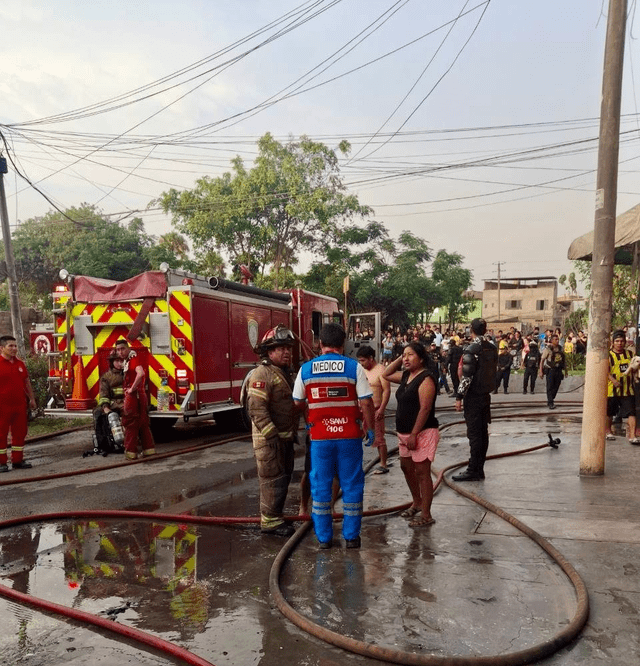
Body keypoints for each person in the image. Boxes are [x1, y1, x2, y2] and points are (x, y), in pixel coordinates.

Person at [293, 323, 375, 550]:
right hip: (349, 436)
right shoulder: (353, 367)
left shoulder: (306, 369)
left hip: (320, 438)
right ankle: (351, 537)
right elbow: (367, 401)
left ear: (320, 344)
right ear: (344, 344)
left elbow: (298, 401)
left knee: (320, 486)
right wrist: (370, 429)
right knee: (352, 484)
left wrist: (312, 418)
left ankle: (324, 539)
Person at [246, 326, 298, 537]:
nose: (286, 352)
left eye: (288, 348)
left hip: (283, 439)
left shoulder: (281, 372)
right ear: (268, 351)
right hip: (270, 441)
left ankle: (275, 515)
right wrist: (271, 435)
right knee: (272, 480)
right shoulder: (263, 373)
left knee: (282, 478)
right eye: (280, 348)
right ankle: (270, 522)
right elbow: (256, 408)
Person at [383, 342, 439, 527]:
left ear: (421, 358)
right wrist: (402, 356)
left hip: (422, 432)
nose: (406, 359)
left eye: (410, 355)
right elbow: (386, 374)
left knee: (422, 473)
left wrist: (415, 434)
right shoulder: (407, 375)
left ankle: (426, 515)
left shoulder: (426, 379)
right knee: (406, 468)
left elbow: (424, 409)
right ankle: (417, 502)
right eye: (404, 355)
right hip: (404, 433)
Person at [453, 318, 498, 482]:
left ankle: (473, 469)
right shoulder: (492, 348)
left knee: (474, 434)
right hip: (485, 395)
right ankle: (479, 468)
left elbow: (467, 377)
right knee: (483, 433)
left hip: (473, 397)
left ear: (471, 329)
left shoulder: (472, 349)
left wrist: (459, 397)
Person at [0, 335, 37, 472]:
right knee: (1, 434)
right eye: (11, 346)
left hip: (19, 405)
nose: (14, 348)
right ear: (2, 348)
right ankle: (1, 463)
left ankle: (17, 460)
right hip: (2, 406)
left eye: (15, 346)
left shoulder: (19, 364)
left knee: (20, 433)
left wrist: (32, 399)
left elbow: (26, 383)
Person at [115, 339, 156, 460]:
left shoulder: (132, 359)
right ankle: (149, 450)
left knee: (130, 423)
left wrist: (132, 389)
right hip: (140, 395)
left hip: (134, 396)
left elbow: (141, 373)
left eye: (122, 349)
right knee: (143, 422)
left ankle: (131, 452)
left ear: (128, 348)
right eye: (118, 350)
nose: (120, 352)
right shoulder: (130, 360)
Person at [356, 345, 391, 474]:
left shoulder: (381, 370)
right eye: (359, 360)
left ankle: (383, 464)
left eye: (363, 360)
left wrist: (382, 409)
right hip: (362, 410)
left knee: (379, 438)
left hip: (376, 409)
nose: (361, 363)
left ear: (371, 358)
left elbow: (386, 390)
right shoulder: (361, 370)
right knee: (357, 437)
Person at [605, 330, 638, 444]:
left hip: (627, 390)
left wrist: (635, 376)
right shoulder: (608, 355)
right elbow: (604, 371)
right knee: (609, 413)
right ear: (613, 342)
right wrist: (613, 380)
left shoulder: (630, 354)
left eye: (622, 341)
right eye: (617, 341)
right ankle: (608, 432)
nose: (619, 343)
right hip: (612, 390)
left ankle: (632, 436)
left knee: (631, 412)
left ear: (625, 342)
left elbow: (634, 367)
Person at [539, 333, 567, 410]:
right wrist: (540, 371)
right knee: (550, 386)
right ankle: (550, 402)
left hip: (558, 370)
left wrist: (566, 371)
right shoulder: (548, 349)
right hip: (550, 370)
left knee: (556, 386)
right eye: (555, 339)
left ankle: (551, 398)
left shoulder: (561, 349)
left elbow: (564, 360)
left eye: (558, 339)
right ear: (551, 341)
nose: (557, 341)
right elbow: (542, 360)